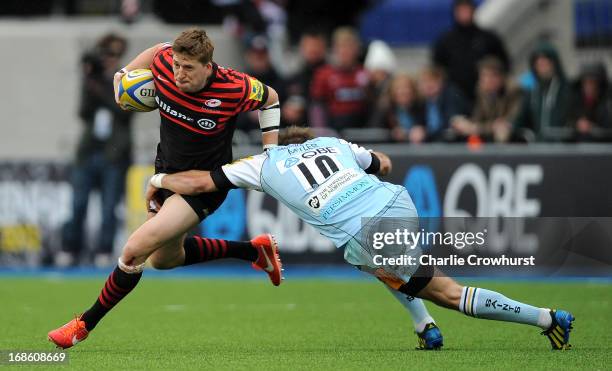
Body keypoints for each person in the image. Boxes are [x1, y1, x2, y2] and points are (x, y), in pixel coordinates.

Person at [148, 126, 575, 351]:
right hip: (398, 204)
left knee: (447, 291)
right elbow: (383, 162)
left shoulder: (261, 164)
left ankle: (547, 319)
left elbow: (202, 183)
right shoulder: (332, 143)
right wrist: (365, 170)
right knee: (382, 267)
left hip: (366, 232)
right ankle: (425, 327)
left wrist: (159, 177)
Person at [48, 27, 283, 349]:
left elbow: (270, 98)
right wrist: (124, 75)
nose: (178, 73)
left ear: (207, 66)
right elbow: (160, 48)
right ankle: (253, 251)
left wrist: (271, 153)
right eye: (176, 65)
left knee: (133, 251)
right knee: (164, 260)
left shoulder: (233, 86)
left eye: (188, 68)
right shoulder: (163, 63)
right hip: (166, 174)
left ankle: (82, 325)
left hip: (203, 185)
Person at [59, 33, 133, 268]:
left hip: (114, 154)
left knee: (109, 207)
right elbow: (82, 112)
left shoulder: (128, 81)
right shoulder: (92, 80)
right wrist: (89, 81)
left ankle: (103, 250)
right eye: (106, 55)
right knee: (78, 204)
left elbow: (123, 111)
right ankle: (70, 249)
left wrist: (101, 84)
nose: (110, 59)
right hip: (89, 151)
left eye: (114, 55)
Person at [432, 0, 510, 106]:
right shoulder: (445, 41)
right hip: (456, 96)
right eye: (461, 10)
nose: (465, 13)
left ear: (474, 11)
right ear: (455, 13)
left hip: (487, 95)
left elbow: (504, 63)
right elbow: (437, 69)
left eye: (467, 10)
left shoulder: (488, 38)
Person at [310, 27, 370, 131]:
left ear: (357, 49)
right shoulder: (324, 74)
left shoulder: (364, 73)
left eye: (350, 46)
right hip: (333, 129)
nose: (346, 51)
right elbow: (317, 106)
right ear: (335, 49)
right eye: (342, 46)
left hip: (361, 130)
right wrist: (321, 132)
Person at [451, 57, 522, 143]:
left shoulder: (513, 92)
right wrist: (465, 124)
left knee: (502, 132)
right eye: (483, 76)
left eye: (490, 76)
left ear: (501, 77)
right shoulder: (481, 91)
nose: (486, 80)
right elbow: (477, 119)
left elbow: (511, 121)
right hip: (489, 132)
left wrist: (477, 128)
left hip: (513, 135)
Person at [513, 42, 572, 142]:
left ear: (554, 64)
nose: (542, 68)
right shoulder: (532, 93)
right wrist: (509, 126)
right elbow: (520, 119)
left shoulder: (567, 90)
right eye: (539, 64)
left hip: (562, 148)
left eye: (546, 63)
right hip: (538, 148)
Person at [419, 66, 469, 142]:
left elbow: (453, 117)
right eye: (425, 81)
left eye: (432, 81)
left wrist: (455, 121)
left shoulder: (451, 95)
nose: (428, 85)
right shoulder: (422, 101)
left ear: (441, 81)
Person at [568, 62, 612, 142]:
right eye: (585, 82)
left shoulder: (607, 102)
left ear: (600, 84)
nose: (588, 87)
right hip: (580, 150)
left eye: (592, 82)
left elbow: (608, 128)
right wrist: (576, 124)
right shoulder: (576, 101)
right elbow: (567, 122)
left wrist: (593, 128)